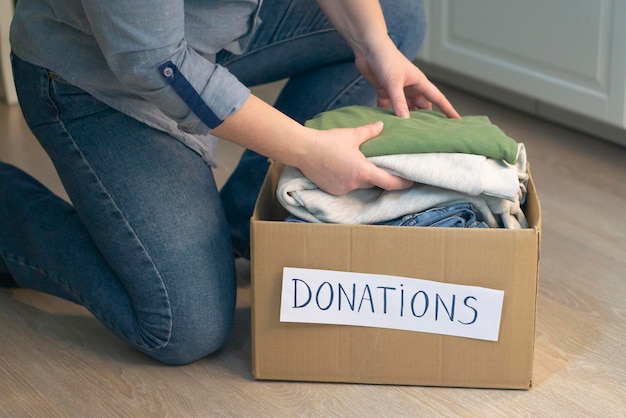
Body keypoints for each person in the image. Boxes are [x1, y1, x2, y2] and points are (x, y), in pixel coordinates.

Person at [1, 0, 459, 364]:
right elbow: (153, 61)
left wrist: (374, 45)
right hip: (96, 73)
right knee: (184, 325)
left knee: (394, 18)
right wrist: (305, 150)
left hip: (216, 32)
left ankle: (246, 222)